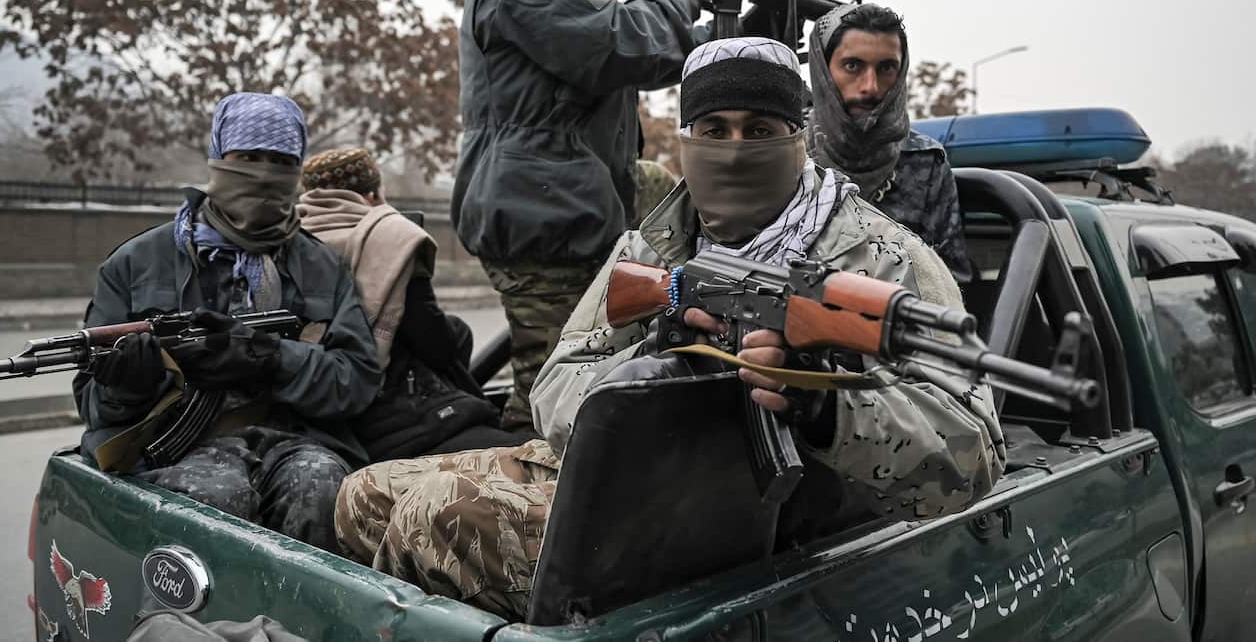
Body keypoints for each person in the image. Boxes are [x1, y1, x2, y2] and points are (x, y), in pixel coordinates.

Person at [335, 38, 1006, 618]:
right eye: (713, 129)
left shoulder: (885, 258)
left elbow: (974, 454)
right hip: (630, 477)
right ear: (685, 139)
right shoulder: (651, 247)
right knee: (361, 494)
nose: (736, 147)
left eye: (761, 127)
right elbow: (555, 386)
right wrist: (653, 354)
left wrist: (826, 407)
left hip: (763, 521)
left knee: (430, 521)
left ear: (800, 134)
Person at [450, 0, 702, 432]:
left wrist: (720, 39)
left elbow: (626, 55)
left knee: (559, 379)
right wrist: (687, 5)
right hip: (543, 212)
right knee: (551, 398)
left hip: (551, 204)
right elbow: (608, 42)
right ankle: (496, 513)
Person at [74, 93, 381, 554]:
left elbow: (355, 381)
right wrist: (126, 387)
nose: (262, 173)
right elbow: (93, 404)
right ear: (219, 160)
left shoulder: (321, 267)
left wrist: (271, 358)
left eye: (279, 161)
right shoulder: (138, 263)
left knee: (321, 486)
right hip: (171, 443)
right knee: (216, 496)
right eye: (248, 158)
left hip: (291, 438)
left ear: (297, 170)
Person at [297, 147, 522, 459]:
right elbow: (433, 340)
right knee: (527, 460)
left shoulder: (290, 238)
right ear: (373, 193)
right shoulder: (390, 238)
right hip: (394, 421)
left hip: (315, 422)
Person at [806, 2, 974, 282]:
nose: (870, 86)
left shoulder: (924, 162)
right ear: (823, 69)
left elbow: (948, 283)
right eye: (852, 65)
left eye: (886, 68)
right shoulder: (787, 156)